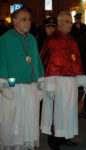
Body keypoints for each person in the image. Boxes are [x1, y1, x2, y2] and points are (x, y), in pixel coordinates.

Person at [40, 11, 86, 150]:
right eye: (67, 21)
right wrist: (49, 85)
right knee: (57, 112)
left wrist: (81, 79)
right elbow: (47, 63)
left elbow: (77, 61)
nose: (70, 24)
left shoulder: (72, 40)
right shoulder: (52, 40)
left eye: (71, 21)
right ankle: (53, 141)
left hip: (71, 81)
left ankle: (64, 137)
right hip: (56, 82)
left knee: (69, 110)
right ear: (60, 23)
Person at [0, 7, 44, 150]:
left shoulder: (32, 39)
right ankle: (13, 146)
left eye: (29, 19)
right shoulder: (5, 39)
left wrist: (41, 84)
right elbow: (1, 61)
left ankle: (27, 144)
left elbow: (36, 61)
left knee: (30, 118)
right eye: (24, 19)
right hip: (13, 87)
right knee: (13, 119)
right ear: (14, 21)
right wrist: (2, 86)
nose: (28, 22)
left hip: (31, 86)